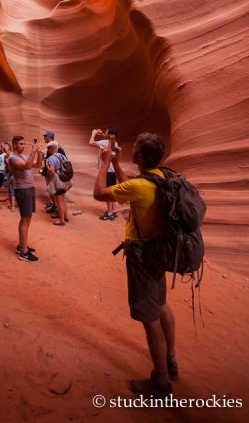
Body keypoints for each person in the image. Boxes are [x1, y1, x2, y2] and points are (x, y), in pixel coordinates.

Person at [93, 132, 176, 399]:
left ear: (139, 156)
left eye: (135, 150)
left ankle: (161, 383)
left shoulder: (140, 186)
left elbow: (98, 193)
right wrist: (118, 164)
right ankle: (171, 360)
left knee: (150, 318)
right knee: (161, 304)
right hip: (161, 251)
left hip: (141, 255)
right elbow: (132, 188)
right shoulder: (162, 177)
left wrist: (105, 161)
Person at [8, 136, 42, 262]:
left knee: (27, 219)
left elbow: (38, 165)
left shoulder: (23, 156)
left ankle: (21, 245)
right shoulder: (12, 158)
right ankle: (24, 253)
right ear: (14, 145)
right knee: (25, 219)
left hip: (29, 188)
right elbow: (27, 166)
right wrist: (33, 152)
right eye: (21, 144)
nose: (23, 146)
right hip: (23, 190)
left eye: (24, 144)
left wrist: (39, 153)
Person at [89, 127, 120, 220]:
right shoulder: (114, 142)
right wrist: (102, 134)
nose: (104, 132)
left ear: (109, 134)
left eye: (106, 131)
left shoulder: (105, 143)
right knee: (112, 190)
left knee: (106, 192)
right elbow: (107, 139)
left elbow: (91, 143)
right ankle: (114, 210)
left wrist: (93, 133)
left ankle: (110, 213)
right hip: (112, 170)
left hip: (107, 170)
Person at [45, 141, 71, 226]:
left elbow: (52, 171)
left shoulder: (52, 158)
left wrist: (47, 165)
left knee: (59, 200)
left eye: (48, 148)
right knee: (63, 199)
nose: (47, 149)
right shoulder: (62, 155)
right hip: (65, 179)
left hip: (58, 181)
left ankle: (61, 220)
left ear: (52, 148)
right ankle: (66, 217)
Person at [42, 130, 66, 216]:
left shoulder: (56, 147)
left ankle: (59, 210)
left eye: (45, 136)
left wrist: (53, 170)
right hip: (48, 171)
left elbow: (63, 159)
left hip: (54, 173)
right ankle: (55, 205)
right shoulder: (48, 147)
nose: (44, 138)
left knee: (56, 191)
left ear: (49, 137)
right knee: (51, 190)